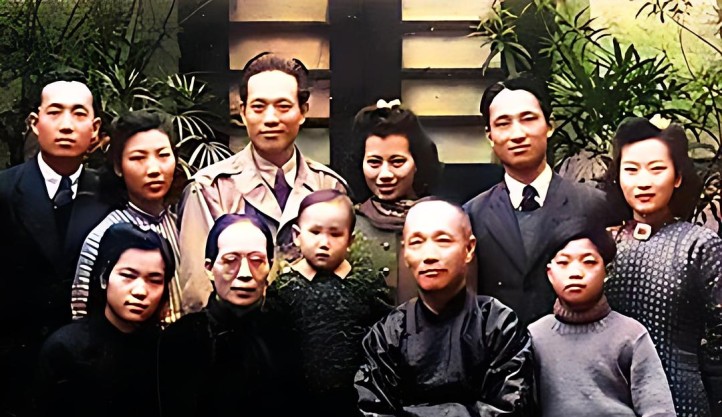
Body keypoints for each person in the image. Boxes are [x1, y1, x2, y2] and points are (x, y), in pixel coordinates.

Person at [353, 198, 533, 417]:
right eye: (417, 242)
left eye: (443, 240)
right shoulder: (387, 333)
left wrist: (411, 415)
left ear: (469, 248)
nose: (429, 254)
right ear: (405, 253)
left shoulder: (498, 324)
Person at [0, 79, 111, 417]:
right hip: (14, 373)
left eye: (79, 114)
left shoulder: (110, 193)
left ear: (95, 129)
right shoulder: (5, 190)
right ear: (34, 122)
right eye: (55, 112)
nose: (67, 124)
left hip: (88, 370)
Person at [157, 214, 304, 417]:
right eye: (230, 261)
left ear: (270, 266)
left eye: (257, 261)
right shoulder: (182, 340)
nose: (245, 274)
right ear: (209, 267)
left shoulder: (285, 331)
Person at [528, 228, 678, 417]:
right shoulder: (534, 338)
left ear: (606, 271)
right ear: (550, 273)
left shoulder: (630, 335)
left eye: (588, 262)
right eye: (564, 262)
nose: (576, 272)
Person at [178, 53, 348, 314]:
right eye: (258, 107)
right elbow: (198, 290)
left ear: (303, 111)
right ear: (243, 112)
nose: (270, 118)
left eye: (283, 106)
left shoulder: (329, 186)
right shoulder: (210, 188)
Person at [35, 223, 175, 417]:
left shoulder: (166, 349)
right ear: (103, 277)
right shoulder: (66, 350)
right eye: (128, 275)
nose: (140, 291)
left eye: (154, 280)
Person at [266, 189, 392, 417]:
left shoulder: (366, 284)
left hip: (355, 413)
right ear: (297, 235)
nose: (324, 242)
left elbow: (385, 342)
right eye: (315, 232)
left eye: (335, 234)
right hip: (300, 413)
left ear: (350, 240)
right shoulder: (283, 289)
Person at [604, 117, 720, 417]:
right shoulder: (602, 245)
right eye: (631, 170)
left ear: (678, 176)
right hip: (612, 405)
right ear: (617, 176)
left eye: (657, 169)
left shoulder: (700, 245)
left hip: (681, 401)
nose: (643, 181)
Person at [463, 75, 625, 327]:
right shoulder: (473, 214)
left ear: (550, 126)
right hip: (498, 347)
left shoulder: (594, 204)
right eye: (503, 124)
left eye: (528, 119)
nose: (518, 134)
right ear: (490, 136)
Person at [72, 110, 182, 324]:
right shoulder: (103, 236)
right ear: (118, 167)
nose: (153, 169)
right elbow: (80, 312)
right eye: (138, 158)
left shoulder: (181, 223)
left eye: (163, 155)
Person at [351, 99, 442, 304]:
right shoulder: (350, 224)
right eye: (374, 162)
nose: (385, 174)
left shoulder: (442, 221)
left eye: (397, 162)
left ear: (417, 162)